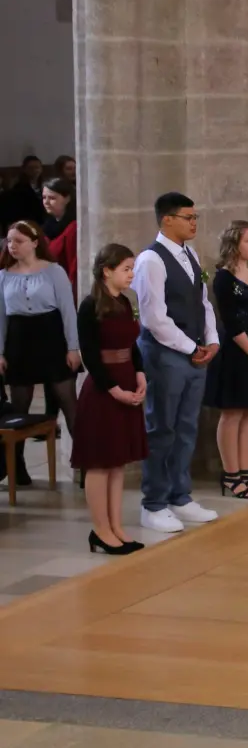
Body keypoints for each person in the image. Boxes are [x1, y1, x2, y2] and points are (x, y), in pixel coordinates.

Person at [131, 194, 221, 531]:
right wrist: (190, 347)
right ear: (167, 220)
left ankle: (179, 496)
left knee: (187, 429)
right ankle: (153, 503)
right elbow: (154, 317)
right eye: (188, 217)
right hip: (166, 355)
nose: (194, 222)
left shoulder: (191, 254)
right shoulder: (150, 260)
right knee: (162, 429)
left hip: (194, 352)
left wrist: (211, 340)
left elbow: (203, 302)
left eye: (195, 216)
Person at [72, 243, 148, 554]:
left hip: (128, 381)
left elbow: (133, 345)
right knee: (100, 464)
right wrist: (115, 390)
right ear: (107, 271)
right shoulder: (90, 306)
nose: (132, 274)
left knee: (117, 464)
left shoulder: (125, 301)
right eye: (126, 269)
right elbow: (90, 355)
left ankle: (116, 526)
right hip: (104, 390)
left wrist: (140, 375)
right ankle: (100, 530)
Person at [0, 220, 80, 472]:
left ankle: (84, 462)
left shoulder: (53, 271)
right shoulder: (3, 276)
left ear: (34, 243)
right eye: (9, 241)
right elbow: (0, 317)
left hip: (51, 338)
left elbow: (68, 312)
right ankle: (17, 465)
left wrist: (73, 347)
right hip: (19, 341)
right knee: (19, 405)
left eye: (19, 241)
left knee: (67, 400)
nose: (12, 246)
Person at [204, 221, 248, 499]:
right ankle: (231, 475)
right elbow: (230, 322)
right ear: (234, 244)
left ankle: (246, 472)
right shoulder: (224, 278)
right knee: (232, 414)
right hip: (236, 353)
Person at [40, 179, 77, 298]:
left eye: (52, 198)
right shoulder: (48, 225)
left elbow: (73, 267)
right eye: (44, 197)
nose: (46, 202)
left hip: (64, 290)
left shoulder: (73, 227)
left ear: (67, 199)